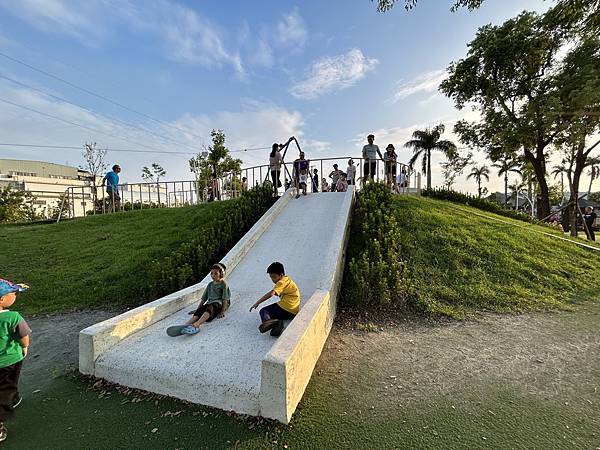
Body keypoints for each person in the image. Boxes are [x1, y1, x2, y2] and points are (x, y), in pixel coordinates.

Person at [0, 278, 31, 443]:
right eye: (13, 293)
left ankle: (13, 396)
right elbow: (23, 337)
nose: (16, 296)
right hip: (9, 361)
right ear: (2, 299)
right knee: (6, 386)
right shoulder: (13, 317)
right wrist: (25, 347)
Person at [249, 262, 300, 337]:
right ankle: (276, 327)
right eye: (271, 277)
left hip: (287, 307)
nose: (273, 280)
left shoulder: (281, 282)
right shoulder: (287, 280)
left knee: (264, 311)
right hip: (293, 312)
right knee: (273, 315)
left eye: (274, 277)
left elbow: (271, 293)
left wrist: (258, 302)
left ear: (281, 275)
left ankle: (271, 323)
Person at [179, 263, 230, 335]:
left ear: (221, 274)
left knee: (210, 308)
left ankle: (196, 325)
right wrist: (198, 309)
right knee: (201, 310)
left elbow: (225, 299)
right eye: (211, 274)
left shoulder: (223, 284)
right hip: (210, 302)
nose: (213, 276)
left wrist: (222, 311)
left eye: (215, 274)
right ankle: (187, 324)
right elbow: (203, 299)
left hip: (219, 303)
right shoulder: (210, 284)